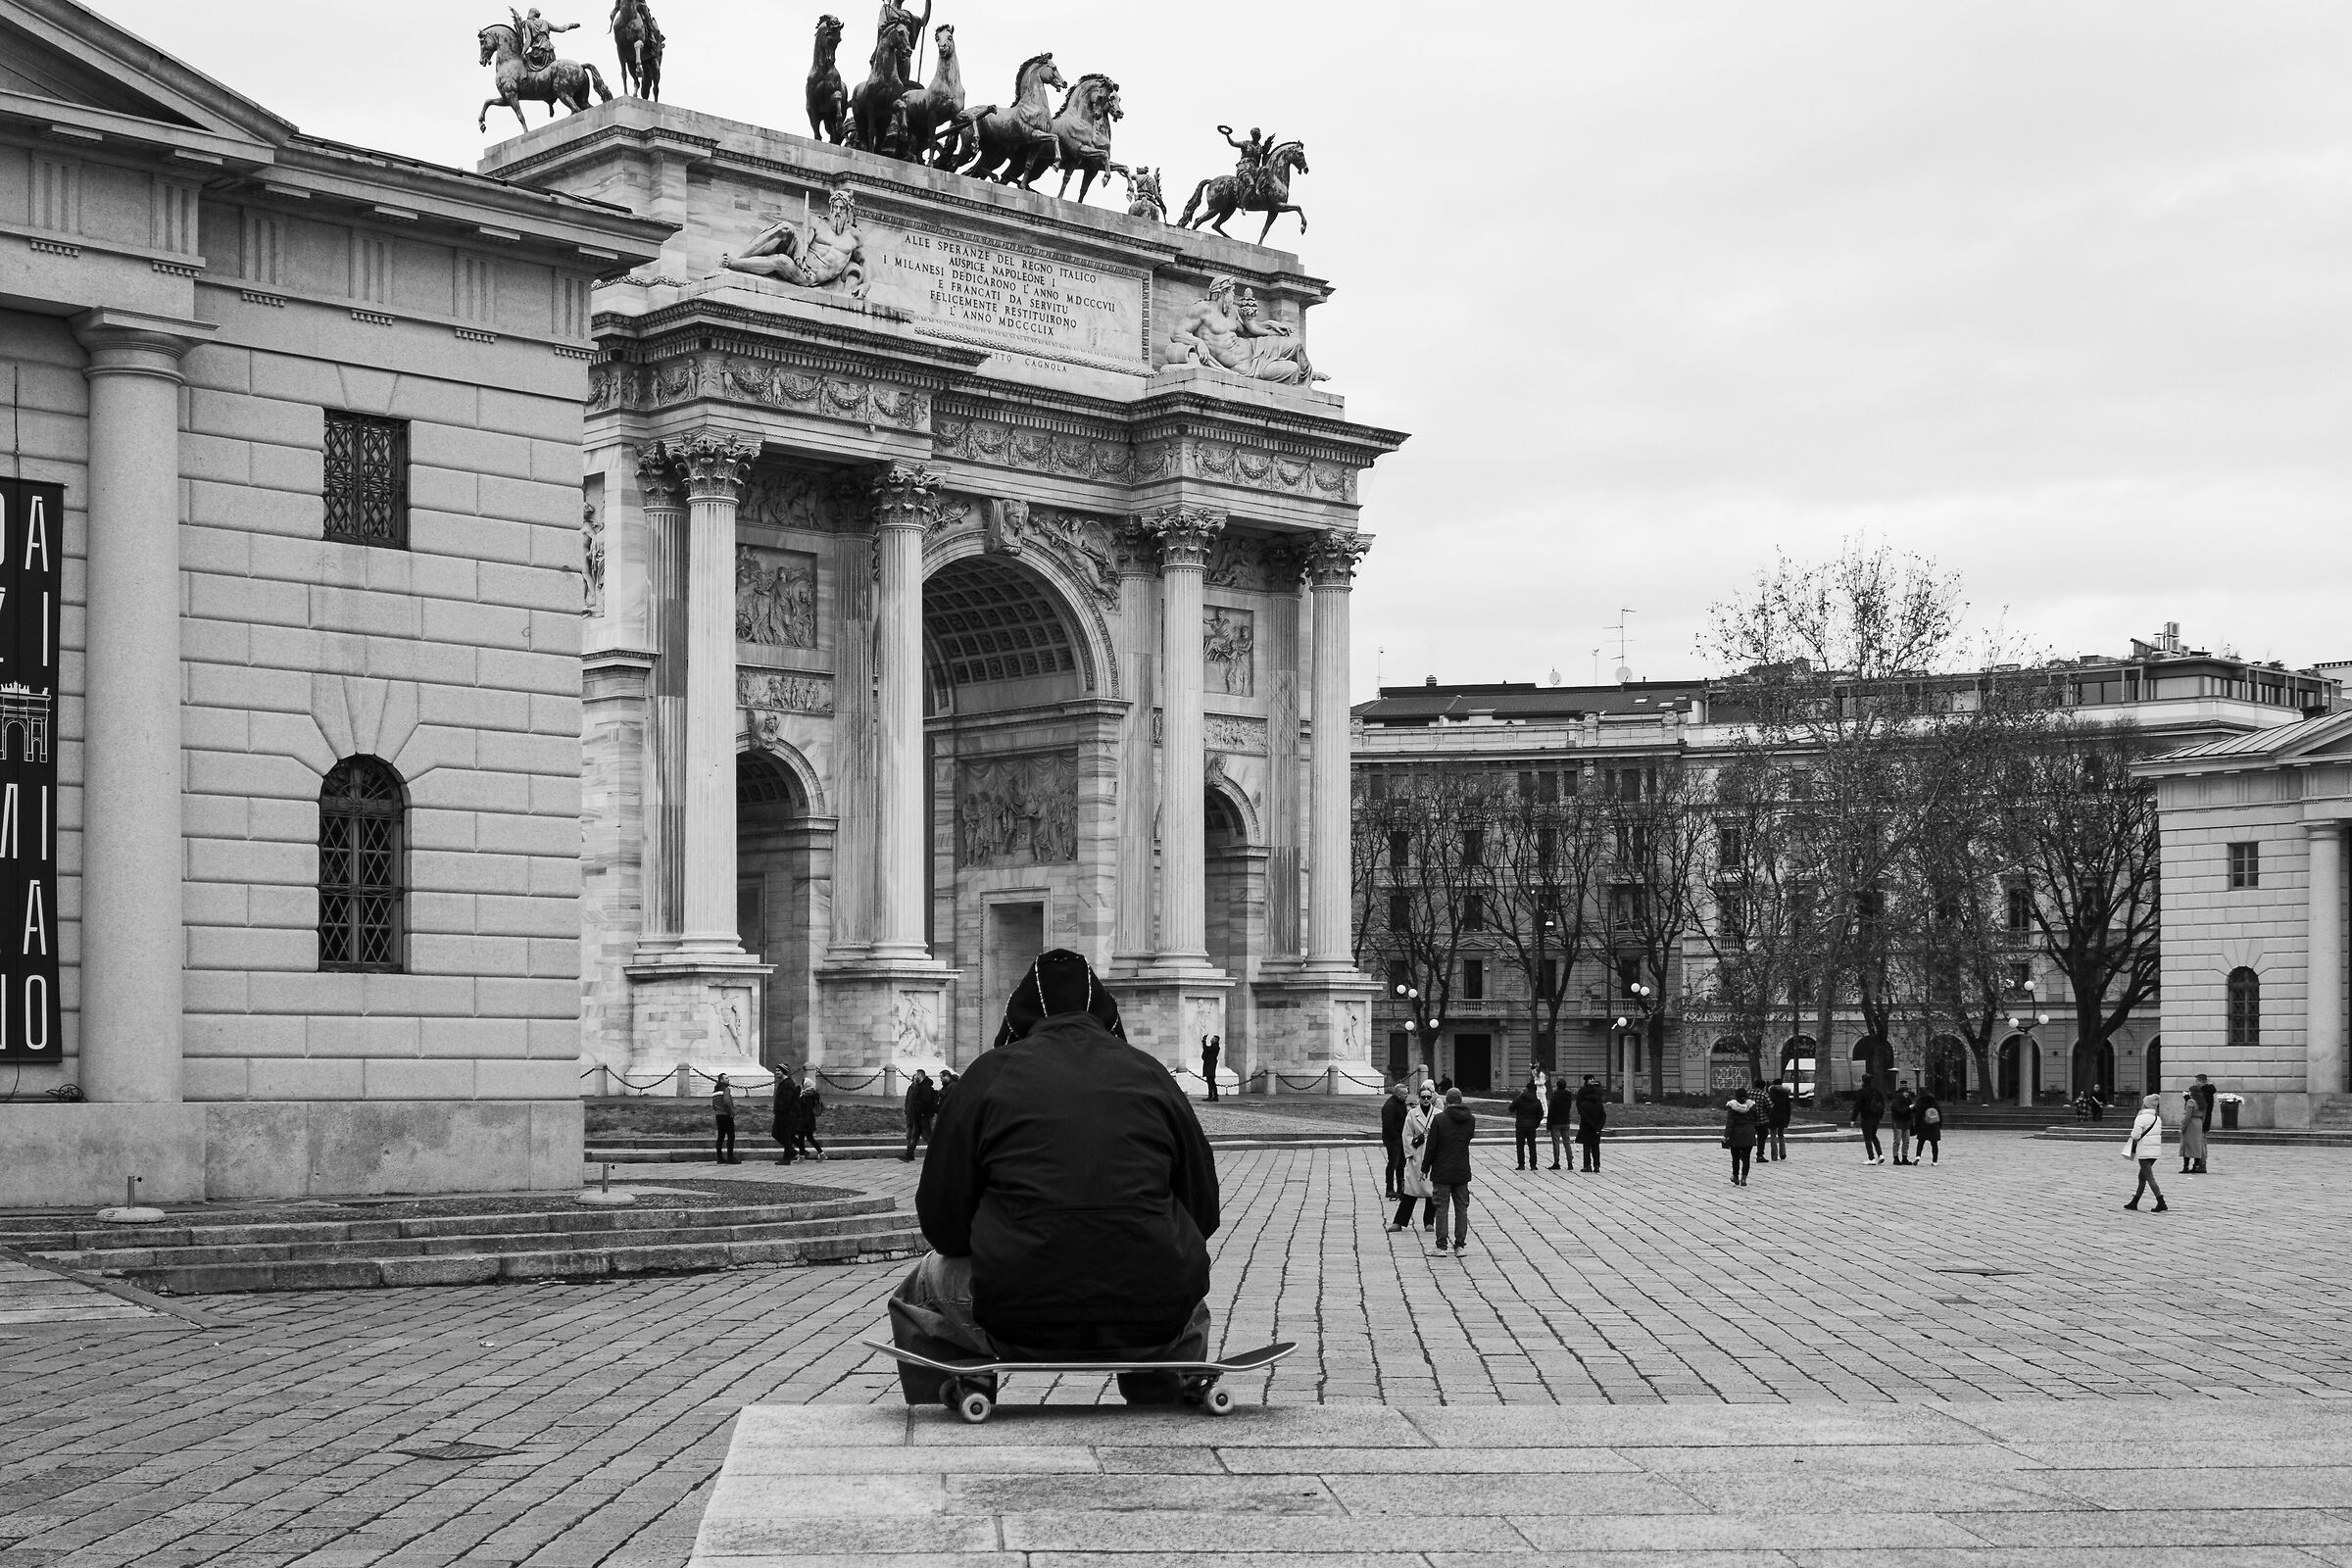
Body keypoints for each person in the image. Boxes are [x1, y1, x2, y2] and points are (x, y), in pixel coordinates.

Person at [892, 949, 1219, 1406]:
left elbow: (943, 1226)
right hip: (1152, 1316)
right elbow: (1202, 1212)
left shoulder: (986, 1076)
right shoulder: (1152, 1074)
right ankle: (1165, 1396)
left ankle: (958, 1396)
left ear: (1019, 1016)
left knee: (920, 1288)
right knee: (1183, 1285)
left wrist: (1008, 1233)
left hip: (1016, 1313)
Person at [1422, 1087, 1477, 1254]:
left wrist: (1425, 1168)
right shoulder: (1471, 1120)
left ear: (1446, 1101)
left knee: (1441, 1208)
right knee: (1461, 1208)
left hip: (1442, 1170)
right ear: (1461, 1100)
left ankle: (1441, 1246)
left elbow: (1431, 1147)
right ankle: (1460, 1245)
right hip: (1461, 1170)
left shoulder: (1439, 1119)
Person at [1391, 1084, 1438, 1233]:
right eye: (1423, 1097)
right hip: (1417, 1154)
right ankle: (1399, 1221)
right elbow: (1406, 1134)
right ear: (1419, 1098)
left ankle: (1429, 1222)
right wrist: (1410, 1153)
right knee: (1411, 1190)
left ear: (1432, 1098)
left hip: (1432, 1155)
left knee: (1431, 1191)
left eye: (1428, 1097)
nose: (1425, 1100)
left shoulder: (1438, 1113)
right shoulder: (1412, 1114)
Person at [2124, 1093, 2168, 1212]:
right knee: (2142, 1176)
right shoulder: (2157, 1118)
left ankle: (2161, 1202)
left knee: (2149, 1177)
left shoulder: (2141, 1118)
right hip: (2154, 1151)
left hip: (2144, 1151)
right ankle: (2134, 1201)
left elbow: (2135, 1135)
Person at [1723, 1087, 1760, 1187]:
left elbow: (1729, 1123)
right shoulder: (1751, 1106)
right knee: (1746, 1158)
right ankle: (1744, 1178)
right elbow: (1756, 1118)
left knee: (1735, 1157)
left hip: (1735, 1134)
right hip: (1748, 1133)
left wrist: (1726, 1135)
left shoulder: (1732, 1106)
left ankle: (1735, 1176)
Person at [902, 1068, 939, 1162]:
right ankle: (909, 1154)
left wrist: (919, 1110)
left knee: (927, 1136)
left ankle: (939, 1153)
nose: (915, 1076)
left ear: (920, 1075)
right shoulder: (919, 1086)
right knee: (915, 1135)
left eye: (916, 1075)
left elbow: (925, 1102)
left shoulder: (925, 1087)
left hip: (924, 1115)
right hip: (919, 1115)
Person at [1381, 1082, 1410, 1199]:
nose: (1407, 1096)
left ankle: (1401, 1187)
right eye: (1405, 1094)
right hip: (1393, 1139)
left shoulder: (1401, 1103)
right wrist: (1396, 1138)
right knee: (1393, 1163)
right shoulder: (1390, 1106)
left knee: (1401, 1163)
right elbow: (1388, 1124)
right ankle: (1389, 1188)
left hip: (1401, 1137)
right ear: (1398, 1094)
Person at [1574, 1075, 1607, 1172]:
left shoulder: (1584, 1104)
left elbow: (1584, 1116)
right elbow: (1603, 1117)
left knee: (1587, 1147)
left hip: (1587, 1127)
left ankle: (1587, 1165)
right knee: (1596, 1147)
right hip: (1597, 1128)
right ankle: (1597, 1165)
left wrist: (1592, 1126)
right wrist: (1598, 1128)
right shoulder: (1599, 1105)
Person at [1510, 1078, 1543, 1170]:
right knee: (1532, 1146)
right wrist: (1536, 1124)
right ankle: (1533, 1165)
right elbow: (1540, 1114)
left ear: (1527, 1089)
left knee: (1520, 1146)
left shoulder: (1520, 1098)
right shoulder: (1537, 1101)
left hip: (1520, 1125)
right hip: (1531, 1126)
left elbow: (1511, 1108)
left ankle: (1521, 1165)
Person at [1851, 1081, 1886, 1164]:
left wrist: (1853, 1119)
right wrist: (1880, 1116)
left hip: (1866, 1117)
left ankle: (1871, 1158)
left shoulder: (1862, 1092)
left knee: (1867, 1138)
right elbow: (1882, 1104)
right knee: (1873, 1135)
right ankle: (1880, 1154)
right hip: (1876, 1117)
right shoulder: (1877, 1091)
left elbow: (1857, 1106)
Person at [770, 1064, 799, 1165]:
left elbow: (788, 1100)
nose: (776, 1072)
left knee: (785, 1135)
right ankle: (792, 1151)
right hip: (780, 1113)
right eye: (776, 1070)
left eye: (778, 1071)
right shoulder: (782, 1083)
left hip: (786, 1114)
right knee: (776, 1133)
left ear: (783, 1071)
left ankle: (787, 1158)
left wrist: (783, 1109)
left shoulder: (788, 1084)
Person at [1544, 1073, 1574, 1171]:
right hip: (1566, 1121)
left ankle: (1557, 1162)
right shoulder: (1569, 1096)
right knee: (1567, 1142)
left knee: (1556, 1143)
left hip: (1556, 1123)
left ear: (1557, 1086)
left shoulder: (1555, 1096)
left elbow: (1551, 1112)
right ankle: (1570, 1163)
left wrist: (1548, 1126)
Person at [2179, 1088, 2208, 1176]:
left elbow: (2187, 1116)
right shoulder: (2202, 1102)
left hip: (2191, 1124)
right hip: (2198, 1123)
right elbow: (2204, 1116)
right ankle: (2195, 1166)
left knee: (2187, 1145)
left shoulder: (2191, 1102)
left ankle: (2186, 1167)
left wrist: (2182, 1127)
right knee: (2196, 1146)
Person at [711, 1074, 740, 1164]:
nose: (728, 1080)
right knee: (731, 1136)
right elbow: (727, 1101)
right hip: (726, 1115)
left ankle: (719, 1157)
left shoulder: (715, 1091)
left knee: (721, 1136)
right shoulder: (726, 1089)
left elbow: (714, 1105)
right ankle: (730, 1157)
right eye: (726, 1078)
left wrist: (717, 1110)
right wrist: (731, 1112)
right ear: (721, 1080)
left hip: (718, 1115)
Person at [798, 1080, 827, 1160]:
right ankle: (821, 1153)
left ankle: (802, 1156)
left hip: (803, 1120)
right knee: (810, 1138)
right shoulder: (814, 1094)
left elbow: (800, 1107)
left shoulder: (805, 1095)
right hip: (810, 1120)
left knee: (801, 1138)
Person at [1912, 1088, 1942, 1165]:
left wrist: (1916, 1127)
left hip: (1923, 1125)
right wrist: (1939, 1125)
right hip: (1934, 1124)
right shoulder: (1934, 1102)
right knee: (1934, 1143)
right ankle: (1934, 1160)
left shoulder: (1920, 1103)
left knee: (1921, 1142)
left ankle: (1918, 1156)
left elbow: (1917, 1116)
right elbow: (1939, 1114)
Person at [1767, 1077, 1793, 1162]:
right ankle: (1783, 1153)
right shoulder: (1785, 1094)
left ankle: (1774, 1155)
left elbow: (1768, 1107)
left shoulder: (1771, 1094)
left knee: (1773, 1135)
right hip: (1783, 1116)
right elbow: (1788, 1108)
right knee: (1781, 1135)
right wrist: (1788, 1118)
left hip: (1772, 1116)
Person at [1889, 1082, 1916, 1166]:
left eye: (1908, 1092)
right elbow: (1900, 1112)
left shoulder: (1908, 1101)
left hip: (1906, 1123)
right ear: (1901, 1093)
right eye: (1905, 1092)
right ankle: (1896, 1157)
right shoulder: (1896, 1102)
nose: (1907, 1094)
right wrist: (1909, 1108)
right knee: (1897, 1141)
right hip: (1898, 1122)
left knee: (1906, 1141)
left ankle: (1905, 1157)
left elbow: (1912, 1111)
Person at [1200, 1035, 1222, 1102]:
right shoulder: (1213, 1047)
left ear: (1216, 1040)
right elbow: (1206, 1049)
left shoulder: (1215, 1047)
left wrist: (1204, 1041)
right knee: (1211, 1081)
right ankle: (1214, 1096)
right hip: (1209, 1065)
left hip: (1210, 1066)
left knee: (1211, 1081)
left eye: (1213, 1039)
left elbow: (1206, 1049)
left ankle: (1211, 1096)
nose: (1212, 1039)